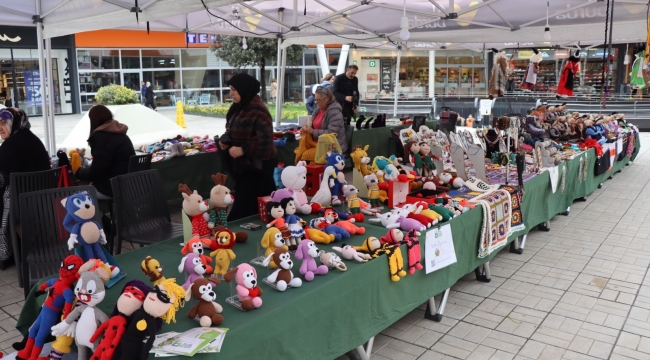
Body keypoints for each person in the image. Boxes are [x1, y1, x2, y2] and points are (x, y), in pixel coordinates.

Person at [218, 73, 278, 221]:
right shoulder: (239, 107)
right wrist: (226, 141)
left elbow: (265, 139)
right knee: (255, 208)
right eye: (230, 89)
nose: (231, 93)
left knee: (245, 208)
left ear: (244, 89)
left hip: (257, 169)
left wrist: (243, 149)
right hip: (244, 168)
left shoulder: (258, 110)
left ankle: (235, 234)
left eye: (234, 89)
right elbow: (232, 129)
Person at [0, 107, 50, 262]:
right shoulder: (35, 141)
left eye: (3, 122)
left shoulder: (8, 147)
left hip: (19, 205)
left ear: (14, 122)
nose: (0, 128)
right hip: (42, 202)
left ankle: (7, 253)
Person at [75, 105, 135, 198]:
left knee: (76, 195)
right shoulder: (121, 134)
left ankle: (99, 213)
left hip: (113, 187)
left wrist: (78, 171)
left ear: (93, 120)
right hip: (129, 185)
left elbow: (96, 172)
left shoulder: (102, 137)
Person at [301, 86, 347, 153]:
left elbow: (332, 133)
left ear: (327, 98)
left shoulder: (334, 111)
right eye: (315, 100)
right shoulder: (318, 109)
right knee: (301, 152)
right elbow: (313, 126)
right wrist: (307, 128)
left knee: (305, 155)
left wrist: (313, 132)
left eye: (319, 100)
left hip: (332, 148)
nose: (316, 102)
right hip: (319, 145)